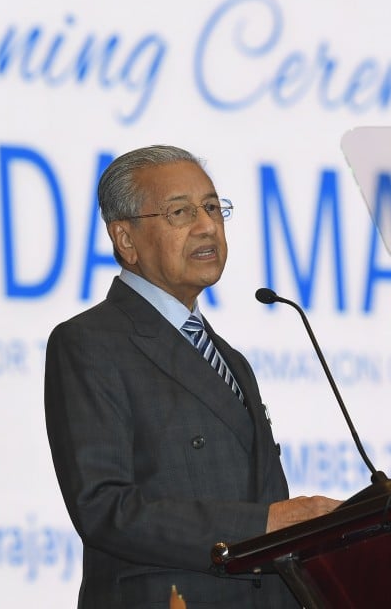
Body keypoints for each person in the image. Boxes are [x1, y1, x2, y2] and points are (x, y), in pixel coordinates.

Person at [45, 145, 340, 608]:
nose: (206, 226)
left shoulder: (229, 359)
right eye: (180, 212)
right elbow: (104, 508)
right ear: (125, 239)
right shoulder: (89, 342)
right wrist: (265, 523)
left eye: (211, 207)